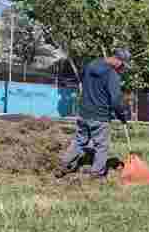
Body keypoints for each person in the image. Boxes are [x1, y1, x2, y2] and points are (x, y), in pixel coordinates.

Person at [56, 48, 131, 179]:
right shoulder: (112, 74)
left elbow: (82, 79)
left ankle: (64, 164)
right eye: (123, 66)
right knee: (101, 145)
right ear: (119, 62)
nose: (122, 69)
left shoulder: (91, 65)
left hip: (84, 112)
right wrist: (121, 115)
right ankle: (97, 173)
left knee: (79, 141)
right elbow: (115, 100)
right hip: (100, 116)